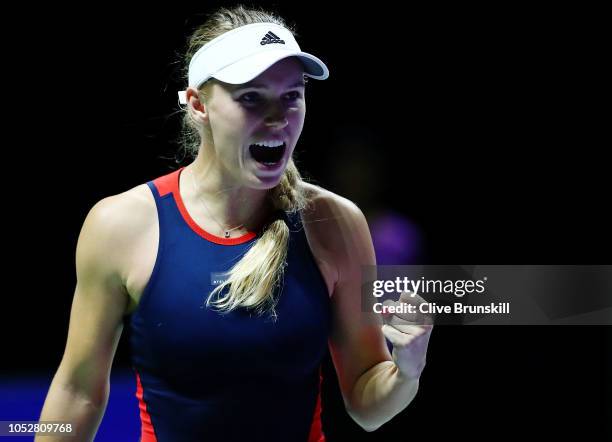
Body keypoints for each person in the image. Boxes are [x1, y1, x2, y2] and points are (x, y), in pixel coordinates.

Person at [37, 6, 432, 441]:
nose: (278, 118)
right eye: (251, 97)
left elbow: (367, 406)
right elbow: (78, 392)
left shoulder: (334, 223)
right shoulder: (121, 225)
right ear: (197, 104)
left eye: (292, 95)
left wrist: (407, 372)